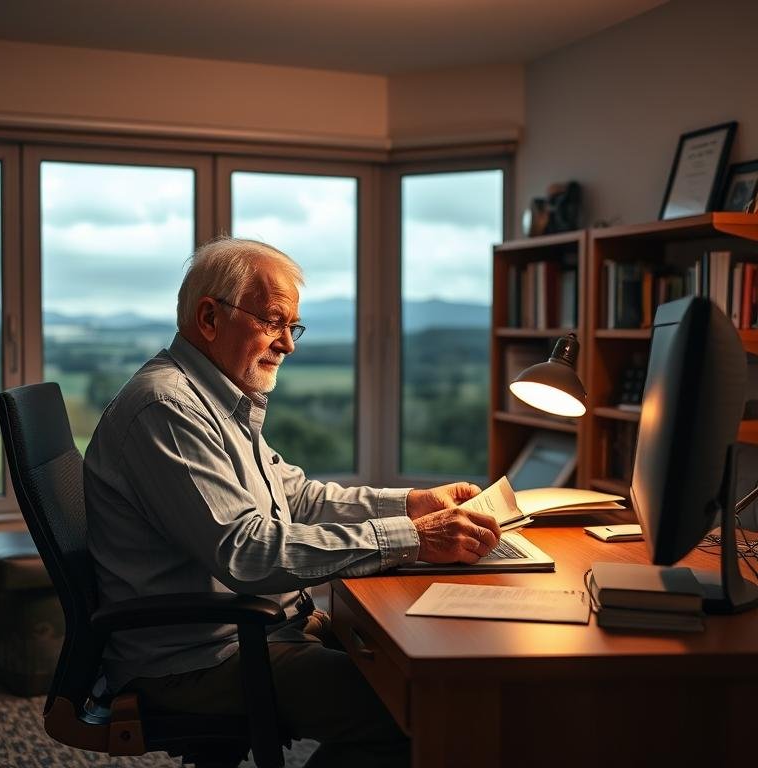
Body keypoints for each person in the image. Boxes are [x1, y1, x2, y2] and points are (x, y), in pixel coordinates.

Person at [84, 236, 501, 767]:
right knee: (423, 711)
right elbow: (247, 552)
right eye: (274, 322)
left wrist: (413, 504)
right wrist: (414, 539)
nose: (289, 344)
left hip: (257, 630)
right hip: (200, 659)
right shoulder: (167, 408)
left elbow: (298, 497)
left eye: (292, 326)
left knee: (429, 670)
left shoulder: (217, 398)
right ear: (209, 318)